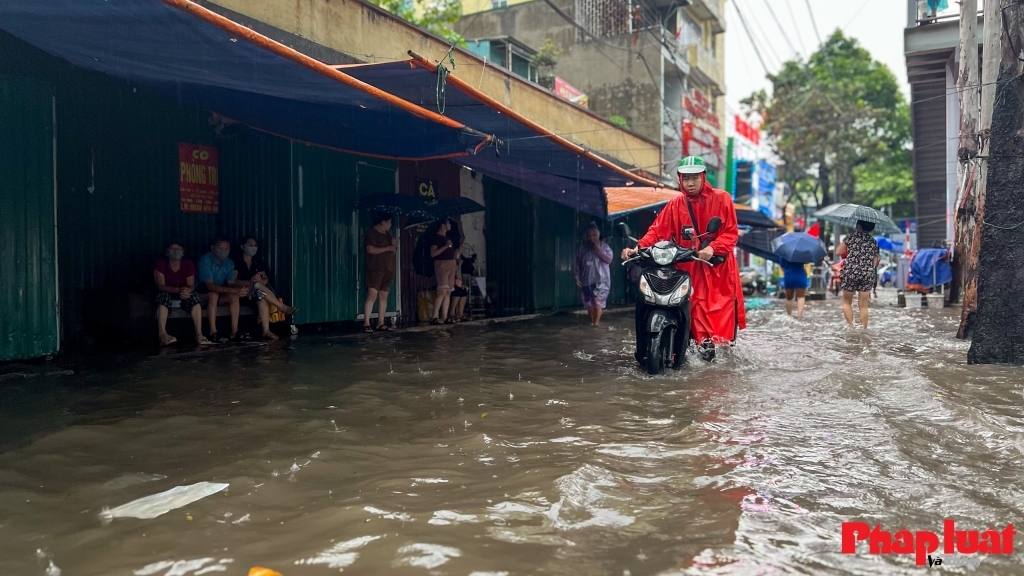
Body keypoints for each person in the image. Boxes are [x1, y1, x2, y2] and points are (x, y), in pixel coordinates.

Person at [621, 156, 746, 361]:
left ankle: (713, 356)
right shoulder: (675, 204)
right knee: (690, 307)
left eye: (694, 177)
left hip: (715, 270)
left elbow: (730, 233)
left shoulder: (722, 199)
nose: (690, 183)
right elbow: (657, 231)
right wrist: (638, 248)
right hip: (687, 267)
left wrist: (712, 248)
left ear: (703, 177)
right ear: (680, 179)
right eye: (685, 178)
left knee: (714, 314)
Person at [233, 236, 298, 340]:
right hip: (240, 292)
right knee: (257, 286)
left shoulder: (257, 261)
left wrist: (258, 280)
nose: (253, 247)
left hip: (253, 293)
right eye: (250, 245)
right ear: (242, 247)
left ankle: (266, 330)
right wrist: (250, 282)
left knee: (261, 297)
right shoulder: (236, 261)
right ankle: (281, 307)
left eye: (255, 245)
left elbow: (265, 279)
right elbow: (233, 281)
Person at [153, 242, 211, 346]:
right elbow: (161, 286)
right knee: (163, 296)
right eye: (172, 248)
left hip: (182, 294)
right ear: (167, 252)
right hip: (168, 293)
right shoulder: (161, 264)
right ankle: (162, 334)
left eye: (179, 248)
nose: (176, 251)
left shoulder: (188, 264)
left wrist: (187, 291)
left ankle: (199, 334)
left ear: (183, 252)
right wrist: (179, 290)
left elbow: (191, 285)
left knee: (194, 297)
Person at [197, 237, 248, 343]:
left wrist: (239, 290)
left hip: (219, 293)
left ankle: (234, 331)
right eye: (220, 247)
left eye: (226, 248)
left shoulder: (229, 263)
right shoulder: (205, 260)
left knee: (234, 296)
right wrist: (232, 290)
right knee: (213, 295)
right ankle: (213, 332)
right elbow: (210, 286)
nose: (223, 250)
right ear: (213, 248)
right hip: (201, 296)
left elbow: (231, 284)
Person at [837, 220, 881, 328]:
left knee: (847, 302)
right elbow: (875, 261)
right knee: (863, 306)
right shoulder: (874, 242)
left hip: (851, 272)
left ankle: (851, 327)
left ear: (858, 226)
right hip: (867, 273)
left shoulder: (851, 238)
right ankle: (863, 330)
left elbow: (838, 251)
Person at [363, 213, 397, 333]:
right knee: (372, 295)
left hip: (388, 268)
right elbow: (370, 249)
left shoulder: (388, 235)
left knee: (383, 296)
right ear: (383, 222)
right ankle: (366, 322)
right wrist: (387, 248)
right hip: (375, 268)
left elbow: (392, 252)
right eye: (389, 222)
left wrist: (393, 245)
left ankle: (380, 322)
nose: (390, 225)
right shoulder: (371, 232)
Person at [575, 222, 613, 326]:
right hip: (586, 280)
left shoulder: (604, 247)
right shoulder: (582, 248)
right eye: (589, 235)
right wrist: (577, 277)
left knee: (597, 302)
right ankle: (592, 323)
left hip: (600, 280)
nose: (591, 238)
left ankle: (596, 324)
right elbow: (577, 263)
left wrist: (599, 250)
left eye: (594, 235)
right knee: (589, 304)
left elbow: (609, 260)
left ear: (598, 235)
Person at [429, 219, 458, 325]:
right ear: (443, 225)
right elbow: (433, 253)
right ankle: (435, 316)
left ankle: (445, 316)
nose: (449, 225)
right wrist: (445, 246)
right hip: (442, 264)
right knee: (442, 290)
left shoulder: (448, 238)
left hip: (451, 263)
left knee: (448, 291)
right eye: (448, 223)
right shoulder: (436, 238)